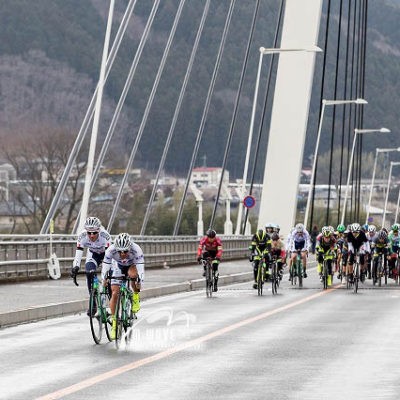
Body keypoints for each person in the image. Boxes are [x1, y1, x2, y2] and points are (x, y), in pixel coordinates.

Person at [102, 233, 145, 340]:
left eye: (125, 251)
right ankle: (115, 324)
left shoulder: (136, 249)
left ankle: (135, 296)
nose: (122, 254)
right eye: (119, 251)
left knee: (133, 275)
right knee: (115, 293)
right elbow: (105, 268)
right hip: (117, 266)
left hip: (132, 265)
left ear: (130, 248)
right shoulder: (111, 250)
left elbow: (141, 269)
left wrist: (140, 282)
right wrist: (105, 279)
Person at [71, 217, 111, 314]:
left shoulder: (105, 236)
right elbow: (79, 253)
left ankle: (113, 299)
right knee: (89, 272)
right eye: (89, 233)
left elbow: (109, 257)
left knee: (109, 277)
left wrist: (106, 273)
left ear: (99, 230)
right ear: (86, 231)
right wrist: (75, 267)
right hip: (93, 255)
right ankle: (93, 303)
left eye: (94, 233)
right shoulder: (82, 236)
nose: (91, 235)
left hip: (106, 254)